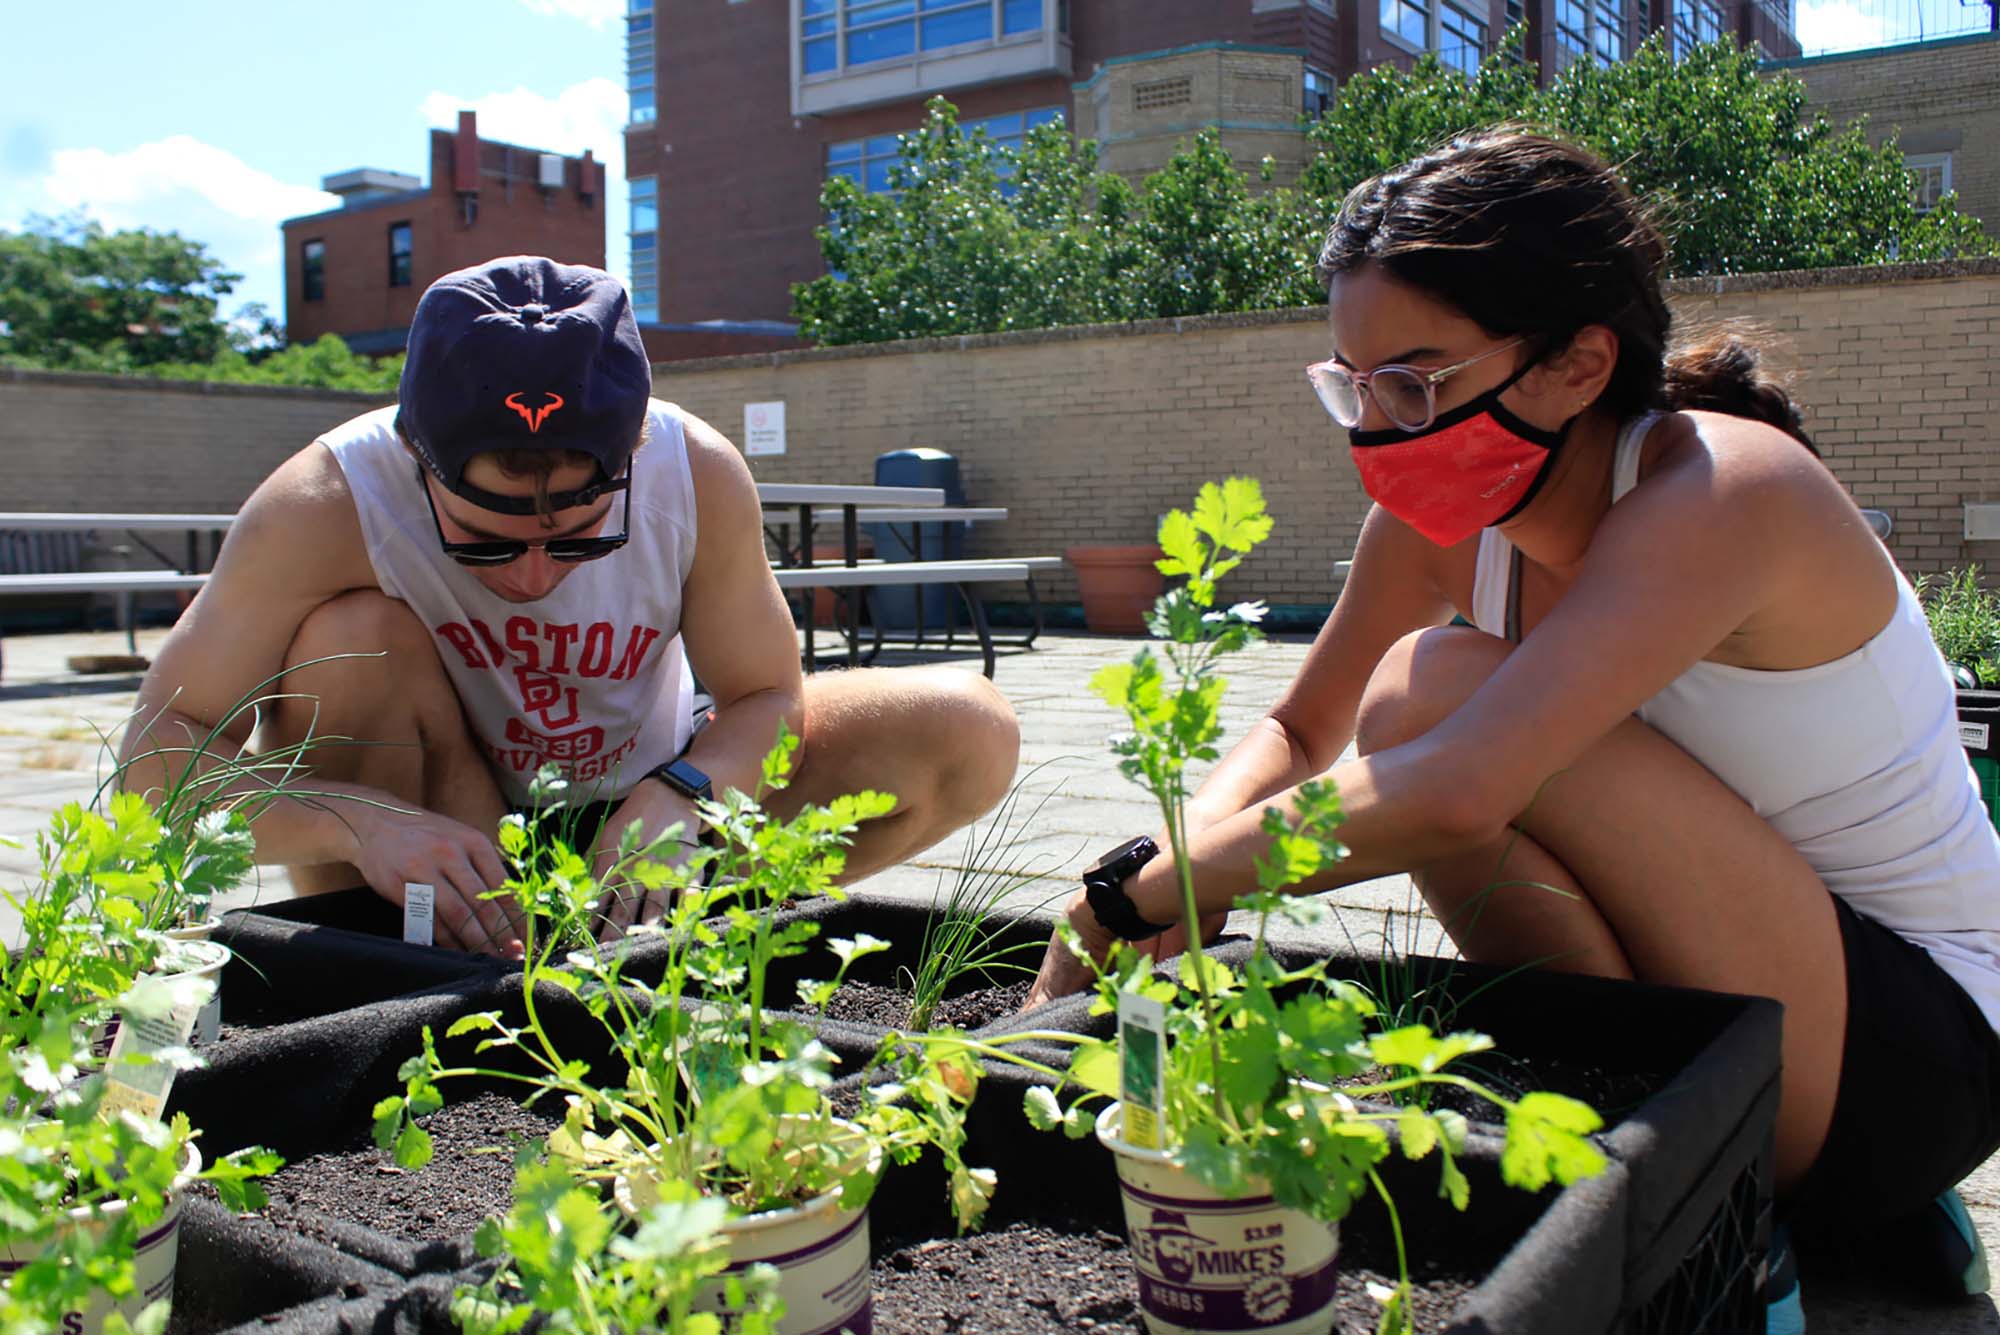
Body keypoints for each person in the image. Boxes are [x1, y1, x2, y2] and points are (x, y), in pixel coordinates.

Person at [1027, 130, 2000, 1317]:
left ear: (1576, 364)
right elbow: (1296, 725)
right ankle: (1661, 1144)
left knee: (1429, 693)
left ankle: (1719, 1210)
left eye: (1418, 382)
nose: (1376, 429)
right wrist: (1163, 865)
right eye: (1353, 385)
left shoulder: (1721, 491)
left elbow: (1459, 783)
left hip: (1903, 1060)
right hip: (1747, 1018)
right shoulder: (1446, 519)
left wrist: (1145, 889)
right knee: (1415, 696)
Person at [118, 256, 1019, 954]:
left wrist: (689, 793)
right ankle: (400, 966)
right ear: (413, 454)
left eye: (582, 538)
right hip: (435, 819)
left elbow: (767, 696)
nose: (534, 577)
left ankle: (681, 943)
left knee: (967, 727)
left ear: (632, 452)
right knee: (352, 640)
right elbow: (156, 763)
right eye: (484, 542)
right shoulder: (321, 505)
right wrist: (360, 821)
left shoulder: (695, 469)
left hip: (648, 800)